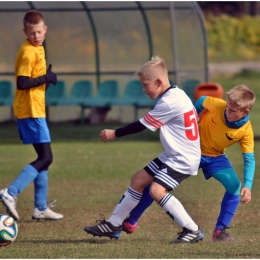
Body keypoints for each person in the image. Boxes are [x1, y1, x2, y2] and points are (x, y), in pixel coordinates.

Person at [84, 56, 205, 243]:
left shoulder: (168, 102)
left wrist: (114, 133)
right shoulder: (177, 93)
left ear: (159, 82)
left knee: (156, 191)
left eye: (145, 84)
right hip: (175, 154)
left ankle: (192, 229)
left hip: (183, 158)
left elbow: (141, 125)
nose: (143, 89)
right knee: (138, 179)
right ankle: (113, 223)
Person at [121, 84, 256, 242]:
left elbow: (249, 158)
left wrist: (248, 184)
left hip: (215, 157)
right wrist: (193, 120)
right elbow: (201, 100)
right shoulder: (216, 104)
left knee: (234, 186)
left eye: (233, 110)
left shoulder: (246, 130)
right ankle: (131, 221)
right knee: (156, 184)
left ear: (245, 112)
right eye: (227, 106)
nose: (227, 111)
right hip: (191, 151)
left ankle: (220, 231)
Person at [0, 10, 63, 221]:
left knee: (43, 159)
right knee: (46, 157)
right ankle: (11, 191)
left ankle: (40, 208)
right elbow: (22, 82)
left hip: (35, 109)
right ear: (25, 31)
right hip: (30, 111)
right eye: (32, 32)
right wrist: (46, 77)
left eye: (39, 32)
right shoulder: (29, 52)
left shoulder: (38, 47)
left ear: (45, 30)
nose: (36, 36)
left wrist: (45, 79)